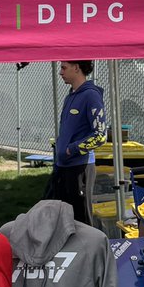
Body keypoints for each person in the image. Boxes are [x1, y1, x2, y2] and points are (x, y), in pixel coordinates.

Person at [52, 61, 107, 225]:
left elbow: (100, 135)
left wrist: (72, 149)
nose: (60, 72)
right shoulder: (70, 96)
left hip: (80, 166)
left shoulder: (91, 95)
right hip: (63, 166)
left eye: (64, 67)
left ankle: (89, 250)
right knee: (63, 219)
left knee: (81, 219)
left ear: (76, 68)